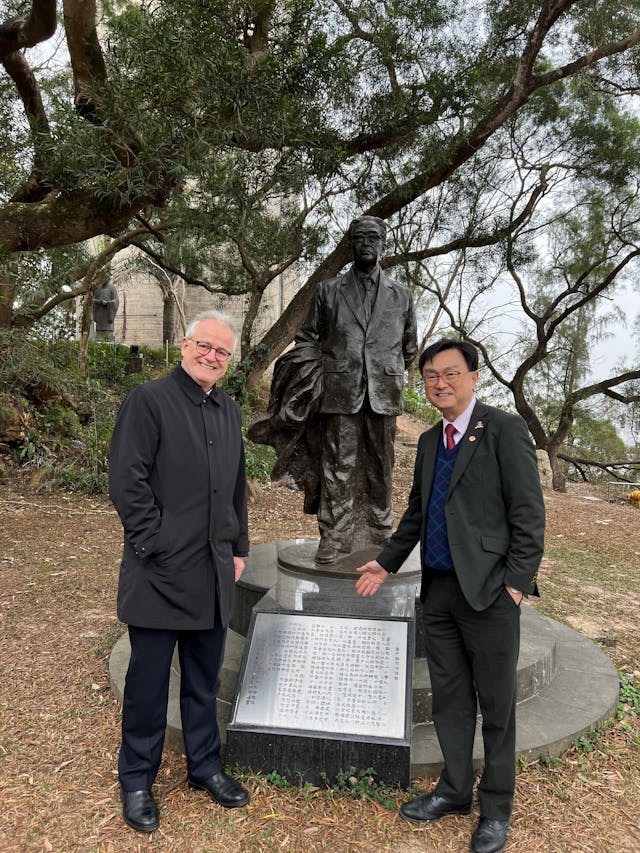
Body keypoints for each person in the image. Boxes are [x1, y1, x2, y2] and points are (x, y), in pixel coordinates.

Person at [355, 339, 544, 853]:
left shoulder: (503, 430)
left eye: (450, 372)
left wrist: (514, 584)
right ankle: (455, 791)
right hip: (437, 594)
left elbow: (528, 516)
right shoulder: (430, 441)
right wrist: (388, 559)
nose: (440, 382)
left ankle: (496, 808)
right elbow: (418, 512)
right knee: (451, 701)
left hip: (489, 596)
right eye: (431, 376)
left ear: (474, 376)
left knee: (497, 707)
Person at [109, 310, 250, 833]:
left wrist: (239, 548)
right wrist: (158, 543)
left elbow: (236, 489)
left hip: (214, 572)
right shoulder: (149, 401)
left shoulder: (229, 411)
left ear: (228, 361)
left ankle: (205, 767)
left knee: (202, 679)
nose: (211, 356)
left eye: (222, 351)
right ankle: (138, 779)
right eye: (204, 345)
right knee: (148, 682)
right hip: (160, 573)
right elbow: (127, 480)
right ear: (183, 344)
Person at [252, 215, 417, 563]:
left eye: (373, 238)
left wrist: (386, 371)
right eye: (360, 238)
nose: (367, 244)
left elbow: (409, 347)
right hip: (339, 391)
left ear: (384, 245)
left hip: (384, 393)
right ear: (351, 245)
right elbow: (307, 337)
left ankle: (380, 531)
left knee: (380, 465)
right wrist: (320, 372)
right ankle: (336, 534)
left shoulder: (402, 295)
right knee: (338, 466)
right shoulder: (328, 291)